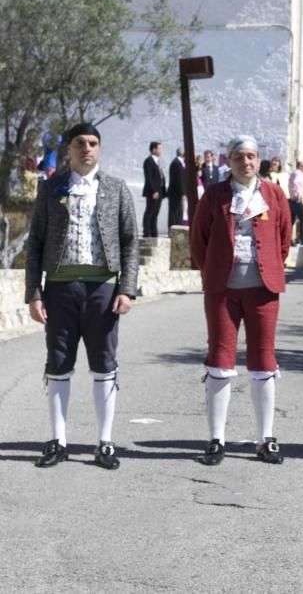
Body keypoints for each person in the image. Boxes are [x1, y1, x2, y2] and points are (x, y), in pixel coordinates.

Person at [24, 122, 139, 470]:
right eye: (79, 143)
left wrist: (127, 288)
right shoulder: (50, 188)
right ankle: (58, 440)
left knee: (104, 363)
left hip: (102, 288)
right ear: (69, 149)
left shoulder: (117, 189)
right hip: (59, 288)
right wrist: (34, 293)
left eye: (92, 143)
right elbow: (35, 245)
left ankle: (104, 443)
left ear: (99, 149)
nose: (86, 148)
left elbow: (131, 241)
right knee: (58, 364)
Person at [190, 135, 292, 466]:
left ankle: (266, 438)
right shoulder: (215, 196)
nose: (245, 162)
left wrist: (268, 269)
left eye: (250, 156)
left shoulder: (274, 194)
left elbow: (284, 238)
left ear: (259, 161)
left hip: (263, 289)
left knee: (264, 360)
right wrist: (217, 270)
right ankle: (216, 439)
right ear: (228, 161)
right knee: (220, 360)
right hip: (223, 290)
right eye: (238, 157)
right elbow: (199, 241)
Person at [141, 141, 165, 237]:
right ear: (154, 149)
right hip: (153, 191)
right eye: (159, 148)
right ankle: (147, 232)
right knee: (150, 211)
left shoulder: (157, 161)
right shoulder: (149, 161)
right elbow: (149, 177)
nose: (161, 151)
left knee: (155, 212)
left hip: (159, 190)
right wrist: (154, 190)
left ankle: (154, 232)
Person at [287, 160, 303, 245]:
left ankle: (291, 239)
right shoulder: (298, 174)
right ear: (300, 166)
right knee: (302, 219)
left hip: (294, 200)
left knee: (292, 220)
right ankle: (301, 239)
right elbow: (295, 183)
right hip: (297, 200)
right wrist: (297, 195)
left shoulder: (294, 174)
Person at [167, 148, 185, 228]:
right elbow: (179, 180)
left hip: (177, 192)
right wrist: (182, 192)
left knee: (179, 212)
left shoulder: (179, 163)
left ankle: (178, 228)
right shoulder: (176, 163)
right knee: (174, 212)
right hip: (175, 193)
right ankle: (173, 229)